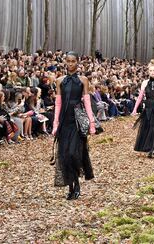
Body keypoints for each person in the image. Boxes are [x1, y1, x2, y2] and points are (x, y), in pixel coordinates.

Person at [51, 51, 95, 200]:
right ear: (65, 62)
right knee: (64, 155)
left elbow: (87, 103)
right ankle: (71, 186)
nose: (70, 64)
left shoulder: (83, 80)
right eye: (68, 61)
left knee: (73, 153)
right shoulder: (59, 81)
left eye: (73, 61)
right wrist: (55, 124)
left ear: (77, 62)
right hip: (64, 119)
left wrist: (91, 123)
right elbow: (58, 104)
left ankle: (76, 183)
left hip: (77, 119)